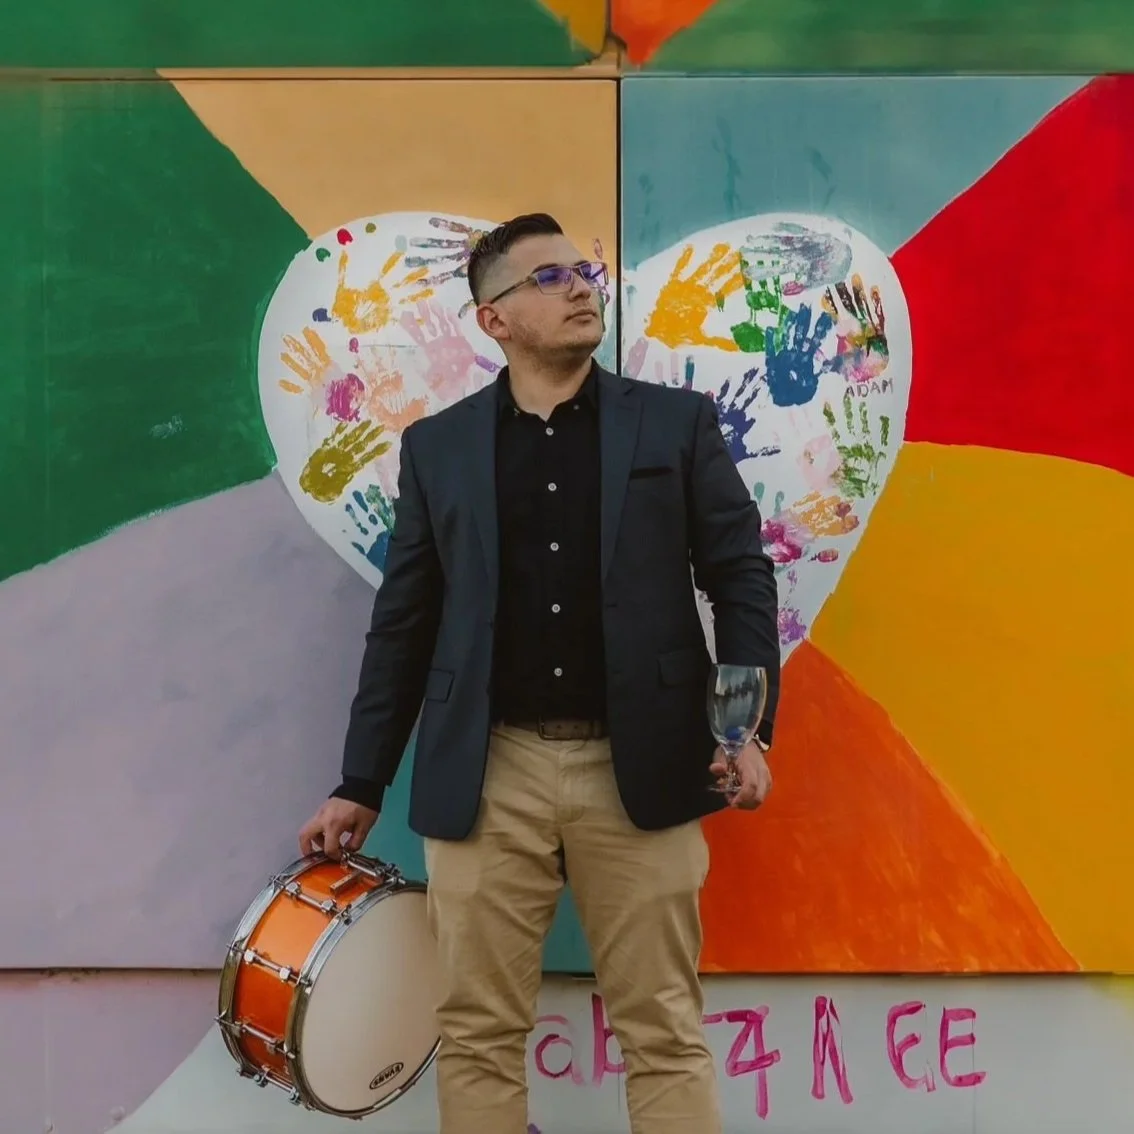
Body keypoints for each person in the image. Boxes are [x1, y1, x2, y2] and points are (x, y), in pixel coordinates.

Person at [299, 213, 781, 1134]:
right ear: (497, 320)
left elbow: (740, 575)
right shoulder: (436, 448)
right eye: (550, 277)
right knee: (478, 1032)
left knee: (664, 1029)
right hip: (488, 770)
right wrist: (361, 781)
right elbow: (404, 623)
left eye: (584, 271)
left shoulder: (674, 424)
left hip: (642, 763)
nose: (581, 287)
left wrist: (740, 730)